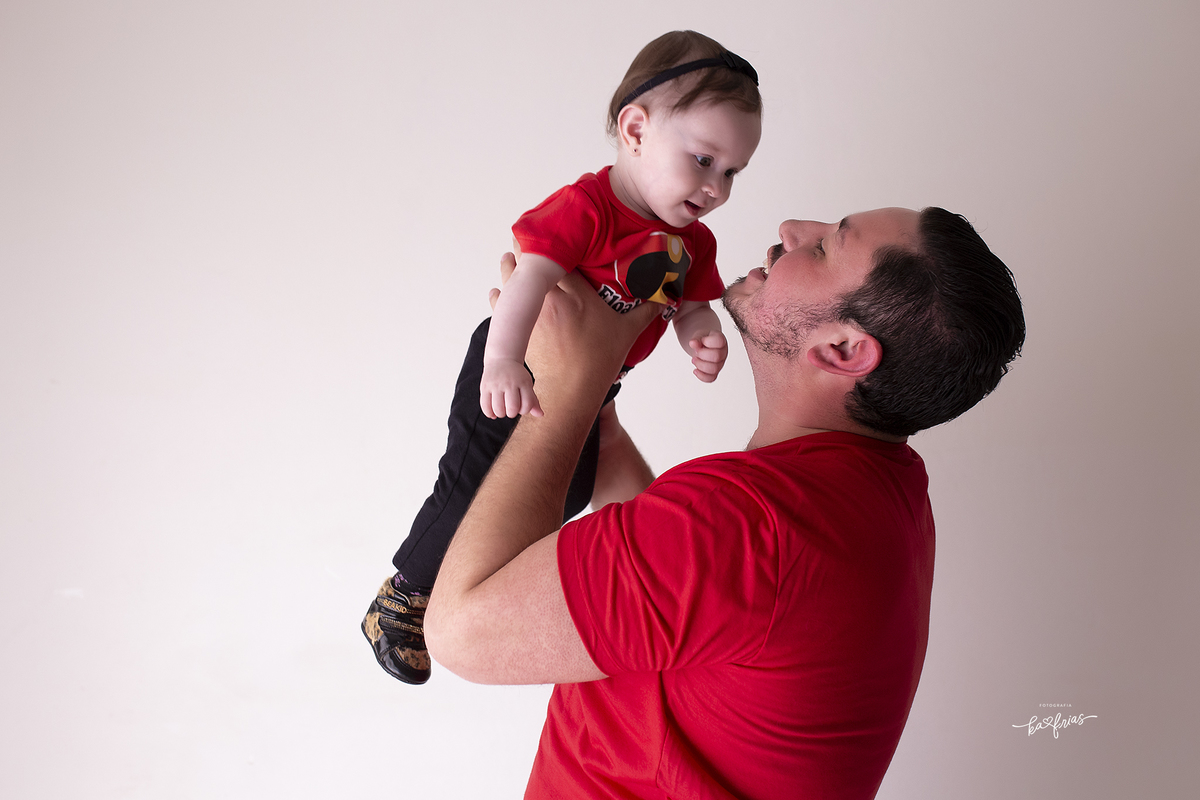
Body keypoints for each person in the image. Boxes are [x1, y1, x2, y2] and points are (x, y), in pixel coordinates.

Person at [424, 206, 1026, 799]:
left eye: (824, 247)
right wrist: (596, 389)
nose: (793, 228)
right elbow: (670, 595)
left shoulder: (754, 523)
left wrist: (563, 386)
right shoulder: (877, 493)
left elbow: (460, 633)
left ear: (843, 350)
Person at [362, 30, 763, 684]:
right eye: (702, 159)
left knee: (570, 488)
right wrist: (504, 362)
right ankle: (404, 594)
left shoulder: (696, 243)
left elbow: (691, 303)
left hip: (597, 384)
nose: (716, 186)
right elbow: (526, 282)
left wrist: (700, 333)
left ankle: (456, 577)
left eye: (732, 172)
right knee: (473, 475)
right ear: (635, 130)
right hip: (520, 358)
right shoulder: (589, 208)